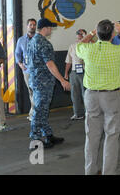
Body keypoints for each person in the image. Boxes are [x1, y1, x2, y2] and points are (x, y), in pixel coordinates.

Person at [76, 20, 120, 175]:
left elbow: (78, 46)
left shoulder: (88, 49)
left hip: (91, 96)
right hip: (112, 96)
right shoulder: (119, 51)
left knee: (92, 136)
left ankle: (90, 171)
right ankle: (108, 172)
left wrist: (91, 33)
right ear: (113, 34)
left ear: (98, 33)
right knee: (111, 136)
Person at [26, 18, 70, 148]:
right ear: (45, 28)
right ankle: (35, 140)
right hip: (43, 82)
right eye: (50, 27)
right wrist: (62, 80)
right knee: (39, 110)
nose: (51, 30)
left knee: (43, 109)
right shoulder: (44, 43)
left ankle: (48, 135)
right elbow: (50, 64)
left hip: (35, 80)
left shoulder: (32, 41)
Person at [15, 18, 37, 121]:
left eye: (34, 25)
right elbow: (17, 54)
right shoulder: (21, 40)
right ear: (27, 26)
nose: (32, 26)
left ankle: (34, 113)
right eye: (30, 25)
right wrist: (20, 64)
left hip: (38, 70)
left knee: (38, 91)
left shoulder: (39, 39)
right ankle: (34, 112)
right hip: (27, 71)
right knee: (31, 91)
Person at [64, 29, 88, 120]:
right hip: (74, 72)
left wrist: (87, 38)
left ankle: (88, 112)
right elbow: (68, 61)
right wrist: (66, 73)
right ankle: (77, 113)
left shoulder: (88, 45)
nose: (79, 35)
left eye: (81, 34)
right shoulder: (72, 46)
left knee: (85, 93)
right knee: (74, 94)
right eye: (78, 33)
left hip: (85, 72)